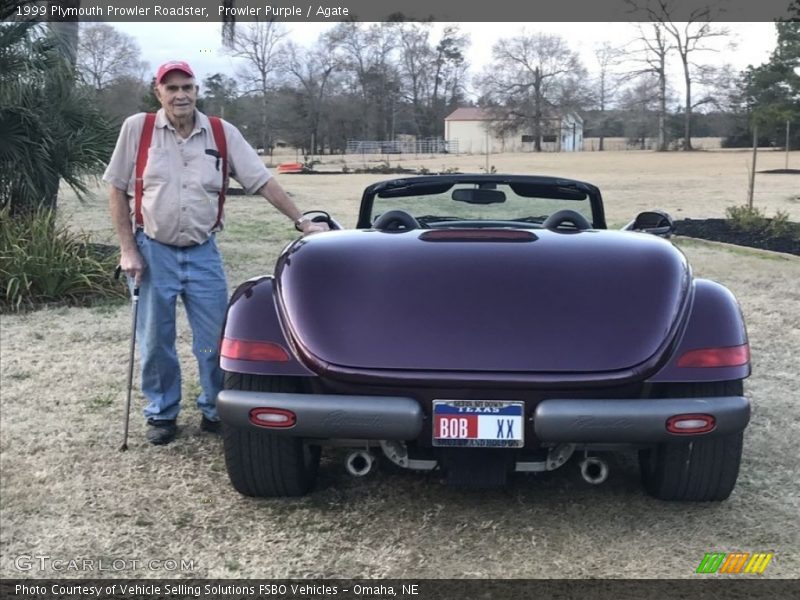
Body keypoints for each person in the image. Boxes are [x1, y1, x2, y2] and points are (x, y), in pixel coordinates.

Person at [103, 60, 328, 445]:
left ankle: (213, 408)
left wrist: (301, 220)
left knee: (214, 339)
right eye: (171, 88)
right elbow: (115, 190)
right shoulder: (137, 129)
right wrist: (128, 249)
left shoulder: (221, 133)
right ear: (158, 92)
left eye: (187, 86)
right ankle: (162, 414)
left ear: (196, 90)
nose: (180, 95)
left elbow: (261, 181)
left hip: (202, 251)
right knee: (156, 341)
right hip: (151, 251)